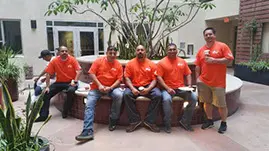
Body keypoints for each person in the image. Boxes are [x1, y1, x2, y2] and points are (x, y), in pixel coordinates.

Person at [75, 46, 123, 141]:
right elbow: (91, 74)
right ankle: (87, 131)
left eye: (114, 53)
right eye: (110, 53)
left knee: (119, 95)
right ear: (106, 53)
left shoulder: (118, 65)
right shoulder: (99, 61)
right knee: (89, 104)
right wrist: (100, 85)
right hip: (97, 88)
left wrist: (111, 87)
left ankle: (113, 120)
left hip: (112, 88)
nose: (112, 55)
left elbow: (119, 79)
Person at [195, 27, 234, 134]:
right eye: (206, 35)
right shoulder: (201, 50)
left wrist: (214, 60)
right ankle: (209, 120)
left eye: (210, 34)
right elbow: (197, 65)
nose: (208, 36)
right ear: (204, 37)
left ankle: (223, 123)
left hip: (218, 82)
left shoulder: (222, 46)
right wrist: (198, 78)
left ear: (214, 35)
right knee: (207, 103)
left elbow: (230, 59)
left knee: (221, 105)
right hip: (204, 81)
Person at [156, 43, 197, 133]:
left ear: (177, 50)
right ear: (167, 51)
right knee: (167, 100)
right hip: (167, 89)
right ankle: (167, 124)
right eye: (170, 49)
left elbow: (188, 73)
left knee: (193, 98)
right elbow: (159, 77)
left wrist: (189, 85)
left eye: (174, 49)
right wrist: (167, 88)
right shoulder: (162, 62)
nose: (172, 51)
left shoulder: (182, 61)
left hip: (181, 89)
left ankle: (185, 121)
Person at [35, 46, 82, 122]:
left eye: (66, 51)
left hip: (71, 82)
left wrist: (75, 81)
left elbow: (79, 71)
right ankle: (43, 116)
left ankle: (65, 110)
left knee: (70, 91)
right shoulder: (54, 61)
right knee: (46, 93)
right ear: (59, 53)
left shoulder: (72, 59)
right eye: (62, 51)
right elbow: (48, 74)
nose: (64, 53)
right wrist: (47, 87)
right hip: (59, 82)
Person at [123, 45, 162, 133]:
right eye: (138, 50)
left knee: (158, 95)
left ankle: (150, 121)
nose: (140, 51)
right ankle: (134, 121)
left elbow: (154, 79)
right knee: (126, 94)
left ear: (145, 51)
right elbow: (127, 78)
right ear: (135, 52)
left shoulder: (151, 64)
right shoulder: (130, 63)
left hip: (148, 86)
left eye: (142, 50)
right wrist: (132, 89)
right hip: (134, 86)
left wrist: (148, 89)